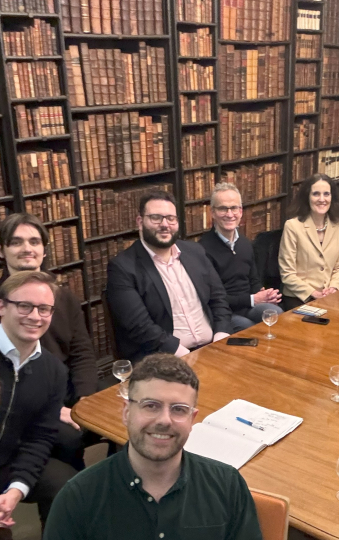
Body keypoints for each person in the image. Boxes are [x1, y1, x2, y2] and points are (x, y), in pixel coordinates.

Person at [43, 353, 263, 540]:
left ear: (192, 419)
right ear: (126, 413)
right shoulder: (77, 498)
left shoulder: (228, 486)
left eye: (178, 409)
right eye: (151, 406)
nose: (164, 420)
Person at [0, 213, 98, 471]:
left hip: (65, 390)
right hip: (20, 402)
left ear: (44, 251)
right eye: (16, 242)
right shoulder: (2, 303)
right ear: (2, 250)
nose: (27, 249)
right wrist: (54, 409)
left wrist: (85, 400)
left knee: (120, 413)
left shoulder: (64, 298)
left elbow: (82, 353)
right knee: (69, 439)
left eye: (34, 241)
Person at [106, 191, 233, 362]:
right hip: (162, 357)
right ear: (140, 222)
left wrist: (221, 337)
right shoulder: (122, 268)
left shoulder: (195, 252)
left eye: (171, 218)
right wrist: (186, 356)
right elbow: (140, 327)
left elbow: (219, 299)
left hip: (212, 347)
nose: (165, 224)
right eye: (156, 218)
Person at [0, 271, 74, 534]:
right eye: (24, 306)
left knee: (67, 487)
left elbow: (39, 438)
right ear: (2, 306)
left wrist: (16, 490)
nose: (35, 316)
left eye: (44, 309)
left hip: (10, 459)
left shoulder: (53, 371)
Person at [199, 183, 283, 331]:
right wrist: (253, 299)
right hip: (223, 313)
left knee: (276, 314)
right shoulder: (203, 249)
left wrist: (264, 294)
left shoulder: (245, 243)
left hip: (248, 306)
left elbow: (254, 279)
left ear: (241, 211)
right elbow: (213, 297)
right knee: (248, 328)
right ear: (212, 212)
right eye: (223, 208)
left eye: (234, 208)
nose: (229, 214)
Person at [278, 173, 339, 311]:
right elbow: (287, 273)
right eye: (316, 194)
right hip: (299, 298)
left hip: (330, 296)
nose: (322, 199)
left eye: (326, 194)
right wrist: (314, 293)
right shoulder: (293, 226)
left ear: (332, 197)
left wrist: (333, 288)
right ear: (307, 197)